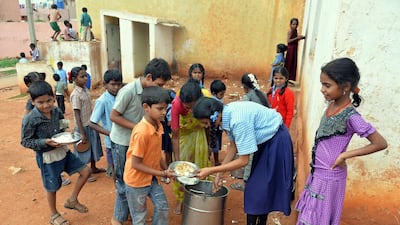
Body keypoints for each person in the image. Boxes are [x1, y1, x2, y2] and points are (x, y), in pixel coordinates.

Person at [295, 58, 387, 225]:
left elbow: (380, 143)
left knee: (320, 219)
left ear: (345, 87)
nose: (322, 90)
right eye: (322, 84)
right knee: (310, 217)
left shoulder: (351, 117)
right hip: (318, 172)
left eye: (327, 85)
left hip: (330, 176)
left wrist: (345, 155)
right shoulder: (331, 104)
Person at [194, 97, 294, 225]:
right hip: (265, 143)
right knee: (260, 189)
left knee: (256, 190)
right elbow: (233, 146)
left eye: (207, 122)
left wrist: (211, 170)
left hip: (276, 142)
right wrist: (218, 175)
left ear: (216, 115)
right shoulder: (227, 114)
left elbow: (243, 160)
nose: (207, 126)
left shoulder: (238, 121)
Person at [109, 58, 171, 225]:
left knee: (131, 189)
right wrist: (138, 128)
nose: (161, 89)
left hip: (144, 137)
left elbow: (156, 153)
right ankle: (118, 219)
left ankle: (129, 212)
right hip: (123, 141)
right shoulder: (128, 91)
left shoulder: (157, 122)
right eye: (159, 84)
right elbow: (114, 116)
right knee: (123, 185)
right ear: (149, 77)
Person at [21, 80, 91, 225]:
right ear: (32, 102)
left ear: (54, 97)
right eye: (40, 102)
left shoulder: (56, 111)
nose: (46, 105)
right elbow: (25, 141)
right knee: (51, 187)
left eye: (49, 100)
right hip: (47, 157)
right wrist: (44, 142)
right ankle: (54, 215)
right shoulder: (30, 119)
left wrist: (68, 134)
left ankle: (72, 200)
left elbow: (61, 126)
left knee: (86, 171)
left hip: (63, 151)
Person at [124, 86, 174, 225]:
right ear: (146, 107)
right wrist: (163, 173)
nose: (164, 112)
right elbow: (136, 164)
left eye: (166, 108)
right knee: (139, 218)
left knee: (163, 208)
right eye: (160, 108)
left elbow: (157, 153)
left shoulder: (158, 125)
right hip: (136, 181)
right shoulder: (142, 132)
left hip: (152, 178)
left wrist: (166, 170)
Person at [171, 79, 211, 214]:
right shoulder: (176, 104)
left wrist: (209, 144)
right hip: (184, 135)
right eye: (188, 108)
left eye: (195, 107)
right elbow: (175, 136)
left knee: (200, 167)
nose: (192, 110)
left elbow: (207, 125)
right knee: (182, 169)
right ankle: (181, 199)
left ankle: (198, 197)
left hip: (199, 134)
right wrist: (177, 161)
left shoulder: (206, 98)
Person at [69, 66, 105, 182]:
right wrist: (82, 133)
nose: (85, 78)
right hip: (82, 127)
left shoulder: (85, 89)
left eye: (86, 76)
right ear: (74, 79)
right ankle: (85, 172)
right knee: (83, 150)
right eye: (82, 76)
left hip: (90, 123)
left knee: (93, 146)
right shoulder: (75, 95)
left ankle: (93, 168)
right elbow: (77, 115)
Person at [89, 69, 123, 178]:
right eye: (113, 84)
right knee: (114, 168)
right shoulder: (102, 101)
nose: (116, 87)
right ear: (105, 84)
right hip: (112, 141)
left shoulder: (122, 96)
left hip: (124, 138)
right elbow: (92, 123)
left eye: (119, 84)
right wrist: (109, 133)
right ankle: (118, 190)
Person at [209, 79, 226, 166]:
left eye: (223, 94)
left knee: (216, 143)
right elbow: (215, 116)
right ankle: (215, 161)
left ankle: (214, 160)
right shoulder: (213, 102)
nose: (222, 96)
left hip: (217, 127)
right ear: (213, 93)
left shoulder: (220, 100)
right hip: (213, 126)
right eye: (221, 94)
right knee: (213, 144)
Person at [285, 18, 305, 82]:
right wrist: (297, 38)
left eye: (296, 24)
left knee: (293, 63)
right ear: (290, 25)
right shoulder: (290, 31)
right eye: (293, 24)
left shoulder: (295, 31)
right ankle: (285, 78)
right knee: (289, 63)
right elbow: (288, 41)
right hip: (291, 49)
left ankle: (289, 79)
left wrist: (300, 38)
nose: (295, 26)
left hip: (294, 49)